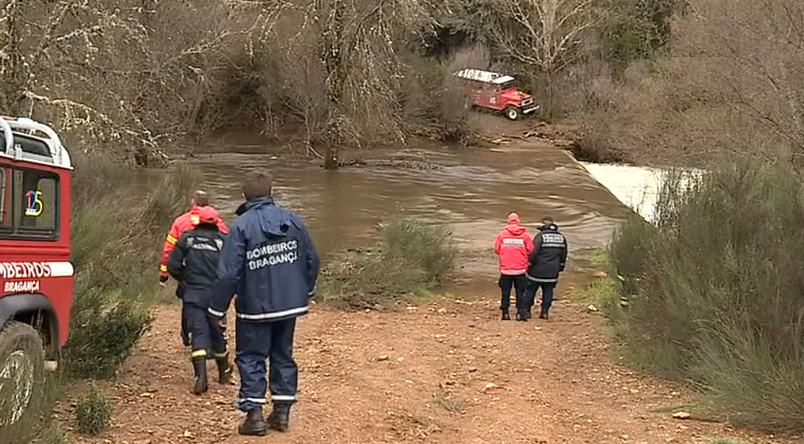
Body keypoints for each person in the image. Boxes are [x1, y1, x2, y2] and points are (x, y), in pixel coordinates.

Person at [208, 170, 320, 436]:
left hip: (254, 308)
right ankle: (281, 412)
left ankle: (255, 417)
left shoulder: (241, 226)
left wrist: (217, 308)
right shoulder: (293, 220)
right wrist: (306, 291)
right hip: (289, 306)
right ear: (271, 193)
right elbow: (312, 260)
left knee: (250, 356)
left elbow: (228, 274)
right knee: (283, 354)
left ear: (244, 196)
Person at [167, 206, 233, 394]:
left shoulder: (187, 238)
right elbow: (232, 269)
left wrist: (184, 278)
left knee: (198, 333)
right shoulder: (225, 241)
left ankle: (201, 378)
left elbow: (173, 265)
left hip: (194, 294)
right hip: (217, 296)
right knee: (218, 332)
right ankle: (224, 372)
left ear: (198, 221)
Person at [159, 190, 229, 346]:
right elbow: (229, 251)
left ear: (193, 203)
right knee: (217, 305)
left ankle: (188, 335)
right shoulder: (220, 223)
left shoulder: (180, 222)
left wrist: (164, 274)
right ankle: (218, 336)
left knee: (188, 303)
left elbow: (168, 251)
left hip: (188, 273)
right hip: (214, 275)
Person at [524, 217, 568, 320]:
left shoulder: (540, 236)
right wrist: (560, 267)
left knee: (530, 289)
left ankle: (526, 311)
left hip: (536, 271)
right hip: (552, 271)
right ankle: (544, 312)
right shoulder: (562, 238)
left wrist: (529, 264)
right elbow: (564, 255)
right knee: (548, 291)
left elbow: (533, 252)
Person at [494, 212, 534, 321]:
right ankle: (520, 313)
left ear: (508, 221)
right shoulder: (525, 235)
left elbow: (497, 250)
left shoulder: (502, 234)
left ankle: (505, 313)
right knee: (520, 292)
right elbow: (530, 249)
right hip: (520, 270)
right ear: (518, 221)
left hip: (506, 269)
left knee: (505, 292)